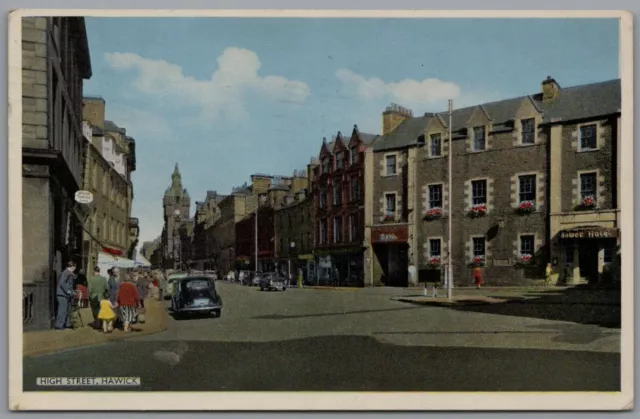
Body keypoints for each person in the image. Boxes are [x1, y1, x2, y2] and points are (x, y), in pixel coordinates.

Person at [54, 261, 77, 330]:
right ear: (72, 266)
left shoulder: (68, 273)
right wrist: (69, 291)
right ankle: (59, 325)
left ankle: (67, 324)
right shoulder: (66, 273)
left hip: (64, 294)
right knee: (62, 310)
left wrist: (72, 291)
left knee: (66, 310)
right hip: (62, 295)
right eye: (75, 267)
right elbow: (62, 283)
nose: (75, 268)